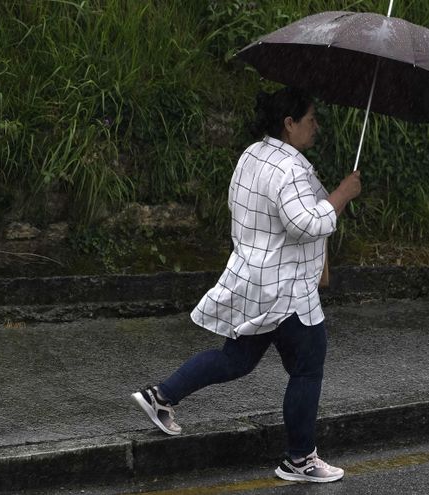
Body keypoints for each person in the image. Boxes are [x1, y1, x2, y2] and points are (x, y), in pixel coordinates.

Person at [131, 86, 361, 483]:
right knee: (307, 368)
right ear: (289, 124)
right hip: (287, 290)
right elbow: (306, 224)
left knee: (235, 360)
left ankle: (161, 395)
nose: (317, 127)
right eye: (311, 120)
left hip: (254, 279)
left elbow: (252, 208)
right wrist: (344, 193)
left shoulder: (252, 154)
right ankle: (300, 460)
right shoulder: (290, 169)